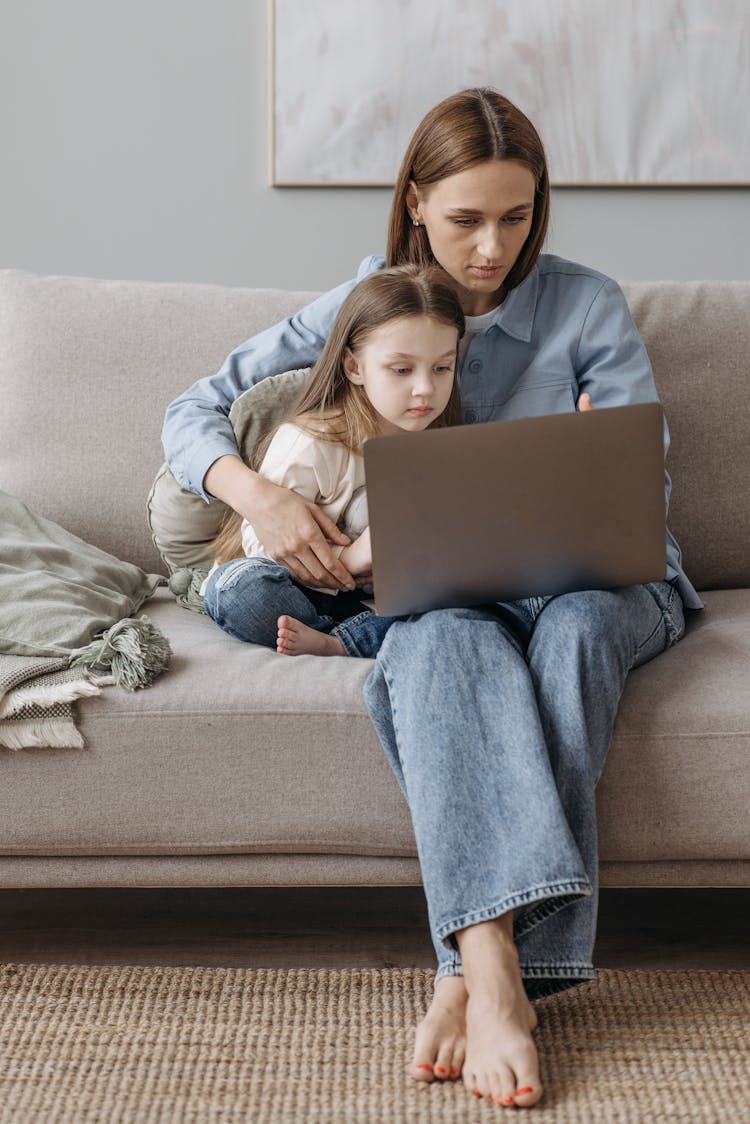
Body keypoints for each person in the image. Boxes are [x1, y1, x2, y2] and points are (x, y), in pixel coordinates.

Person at [162, 88, 702, 1110]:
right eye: (465, 219)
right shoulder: (373, 300)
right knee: (445, 638)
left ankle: (466, 969)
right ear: (415, 201)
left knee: (577, 632)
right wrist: (261, 493)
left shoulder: (586, 306)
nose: (493, 246)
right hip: (450, 597)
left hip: (601, 584)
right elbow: (192, 408)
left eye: (517, 216)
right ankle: (495, 968)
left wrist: (593, 455)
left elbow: (644, 490)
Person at [202, 265, 464, 658]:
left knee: (479, 602)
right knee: (238, 589)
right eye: (402, 369)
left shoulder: (441, 444)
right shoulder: (312, 442)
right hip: (295, 590)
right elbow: (260, 542)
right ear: (354, 367)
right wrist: (353, 557)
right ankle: (363, 639)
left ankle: (343, 641)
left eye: (442, 368)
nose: (425, 387)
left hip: (375, 604)